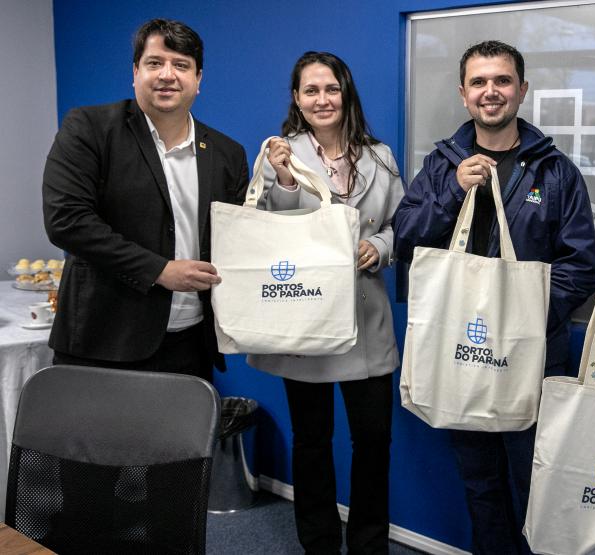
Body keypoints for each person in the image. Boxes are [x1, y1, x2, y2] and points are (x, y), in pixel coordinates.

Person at [394, 40, 595, 554]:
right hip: (459, 355)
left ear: (521, 90)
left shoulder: (555, 171)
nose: (492, 92)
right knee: (480, 485)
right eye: (480, 82)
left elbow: (579, 267)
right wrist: (451, 194)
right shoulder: (442, 165)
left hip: (532, 360)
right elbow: (405, 238)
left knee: (538, 484)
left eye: (503, 81)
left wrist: (524, 317)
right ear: (464, 94)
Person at [245, 51, 403, 554]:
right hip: (305, 319)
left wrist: (379, 247)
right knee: (312, 442)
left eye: (330, 89)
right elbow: (270, 233)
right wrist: (287, 180)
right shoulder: (278, 154)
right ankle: (318, 544)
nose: (322, 99)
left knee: (373, 442)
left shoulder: (380, 156)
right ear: (297, 98)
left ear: (345, 92)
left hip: (366, 316)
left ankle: (368, 544)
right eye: (310, 91)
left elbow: (406, 226)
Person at [42, 18, 249, 381]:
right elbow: (66, 220)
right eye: (155, 63)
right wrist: (160, 271)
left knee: (179, 442)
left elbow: (241, 238)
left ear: (198, 79)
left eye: (181, 65)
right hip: (103, 344)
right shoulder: (89, 128)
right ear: (135, 72)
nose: (167, 74)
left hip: (191, 346)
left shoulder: (227, 153)